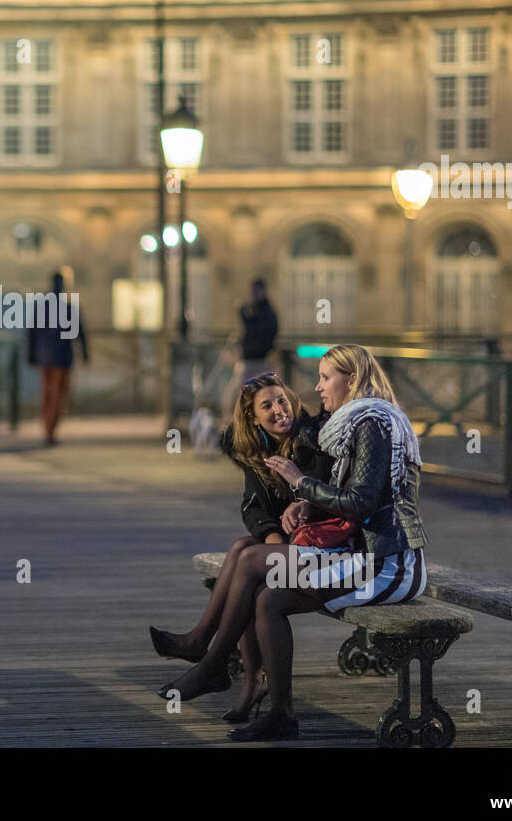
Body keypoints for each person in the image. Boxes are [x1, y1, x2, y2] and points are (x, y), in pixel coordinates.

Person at [156, 344, 428, 743]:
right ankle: (280, 711)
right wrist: (306, 504)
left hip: (386, 563)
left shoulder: (372, 421)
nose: (317, 388)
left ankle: (212, 661)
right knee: (269, 597)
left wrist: (301, 483)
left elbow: (363, 502)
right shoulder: (353, 422)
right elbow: (344, 498)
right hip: (360, 555)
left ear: (350, 379)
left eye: (325, 378)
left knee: (251, 562)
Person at [150, 373, 331, 723]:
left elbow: (325, 498)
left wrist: (297, 494)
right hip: (295, 546)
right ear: (253, 418)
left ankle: (208, 655)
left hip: (323, 549)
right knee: (244, 550)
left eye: (281, 399)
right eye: (267, 405)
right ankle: (237, 676)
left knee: (248, 564)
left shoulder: (314, 438)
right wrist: (273, 541)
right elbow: (252, 508)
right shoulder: (254, 449)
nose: (279, 410)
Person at [26, 271, 89, 446]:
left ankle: (48, 428)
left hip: (44, 357)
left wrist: (31, 356)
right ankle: (50, 430)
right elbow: (80, 332)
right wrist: (84, 354)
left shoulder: (42, 307)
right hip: (61, 357)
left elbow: (32, 333)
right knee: (57, 395)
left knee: (47, 393)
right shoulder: (68, 307)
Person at [238, 279, 279, 381]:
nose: (252, 296)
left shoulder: (266, 313)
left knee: (242, 391)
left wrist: (244, 315)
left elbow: (255, 331)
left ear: (262, 291)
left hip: (258, 359)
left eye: (255, 292)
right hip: (254, 358)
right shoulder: (259, 310)